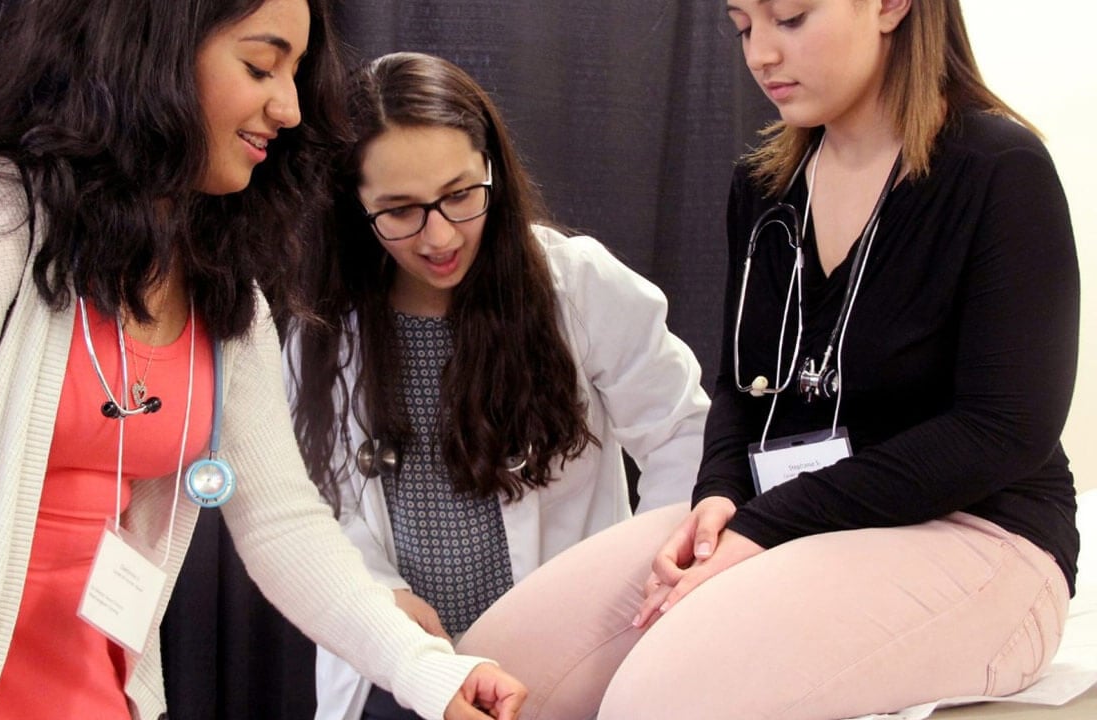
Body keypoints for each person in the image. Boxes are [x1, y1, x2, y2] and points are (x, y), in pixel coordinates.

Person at [0, 2, 526, 719]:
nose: (286, 106)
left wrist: (430, 673)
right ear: (153, 46)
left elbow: (282, 521)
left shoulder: (218, 280)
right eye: (259, 65)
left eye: (294, 73)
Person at [456, 0, 1082, 718]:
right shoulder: (765, 186)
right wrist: (719, 495)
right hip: (785, 509)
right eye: (743, 25)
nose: (759, 55)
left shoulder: (998, 169)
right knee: (491, 672)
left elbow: (1003, 430)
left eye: (789, 18)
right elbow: (739, 388)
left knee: (661, 698)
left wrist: (765, 527)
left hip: (982, 531)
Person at [283, 51, 711, 720]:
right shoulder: (325, 333)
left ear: (492, 171)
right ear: (353, 209)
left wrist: (654, 570)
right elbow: (315, 504)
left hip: (570, 652)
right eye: (399, 211)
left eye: (460, 194)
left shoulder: (576, 284)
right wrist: (380, 601)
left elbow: (683, 431)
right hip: (406, 668)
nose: (440, 235)